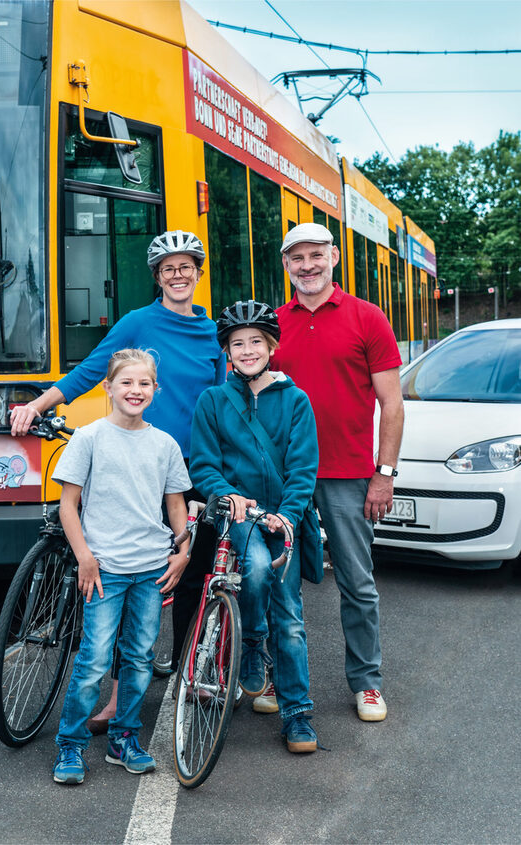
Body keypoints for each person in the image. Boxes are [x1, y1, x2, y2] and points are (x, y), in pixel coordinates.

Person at [10, 230, 225, 729]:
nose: (178, 274)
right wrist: (38, 404)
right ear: (158, 276)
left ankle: (185, 670)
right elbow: (90, 370)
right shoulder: (137, 322)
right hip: (130, 467)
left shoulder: (211, 334)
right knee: (117, 574)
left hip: (187, 467)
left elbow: (219, 403)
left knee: (186, 574)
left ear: (197, 273)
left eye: (186, 266)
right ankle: (112, 695)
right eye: (168, 267)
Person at [272, 222, 404, 722]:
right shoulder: (272, 322)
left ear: (334, 258)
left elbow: (392, 405)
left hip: (348, 472)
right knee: (275, 583)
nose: (307, 265)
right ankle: (276, 677)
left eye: (315, 255)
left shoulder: (367, 318)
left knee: (356, 582)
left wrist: (384, 473)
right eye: (296, 258)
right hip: (283, 476)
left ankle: (366, 682)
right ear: (286, 266)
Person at [51, 348, 191, 784]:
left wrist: (182, 551)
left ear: (156, 390)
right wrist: (85, 557)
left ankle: (123, 738)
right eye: (126, 383)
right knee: (93, 660)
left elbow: (175, 504)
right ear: (108, 388)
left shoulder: (164, 444)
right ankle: (70, 746)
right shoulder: (90, 437)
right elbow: (68, 506)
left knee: (139, 659)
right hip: (105, 569)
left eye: (144, 383)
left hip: (150, 569)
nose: (135, 390)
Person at [190, 300, 320, 753]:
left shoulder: (296, 401)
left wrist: (290, 514)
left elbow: (304, 470)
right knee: (260, 571)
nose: (247, 350)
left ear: (271, 347)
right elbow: (203, 464)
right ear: (227, 351)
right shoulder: (212, 401)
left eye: (256, 342)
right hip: (241, 516)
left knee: (292, 620)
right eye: (237, 343)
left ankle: (297, 715)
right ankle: (252, 643)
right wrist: (229, 494)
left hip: (283, 517)